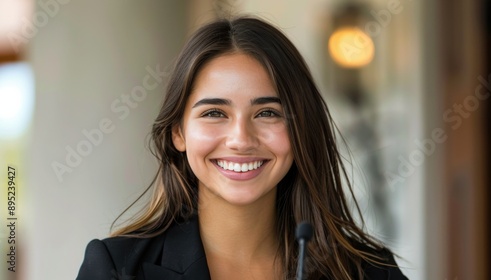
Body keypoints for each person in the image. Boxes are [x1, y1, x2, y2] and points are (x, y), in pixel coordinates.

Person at [76, 16, 408, 280]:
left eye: (267, 113)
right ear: (178, 132)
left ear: (300, 129)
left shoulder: (370, 272)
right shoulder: (117, 270)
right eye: (214, 113)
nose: (240, 139)